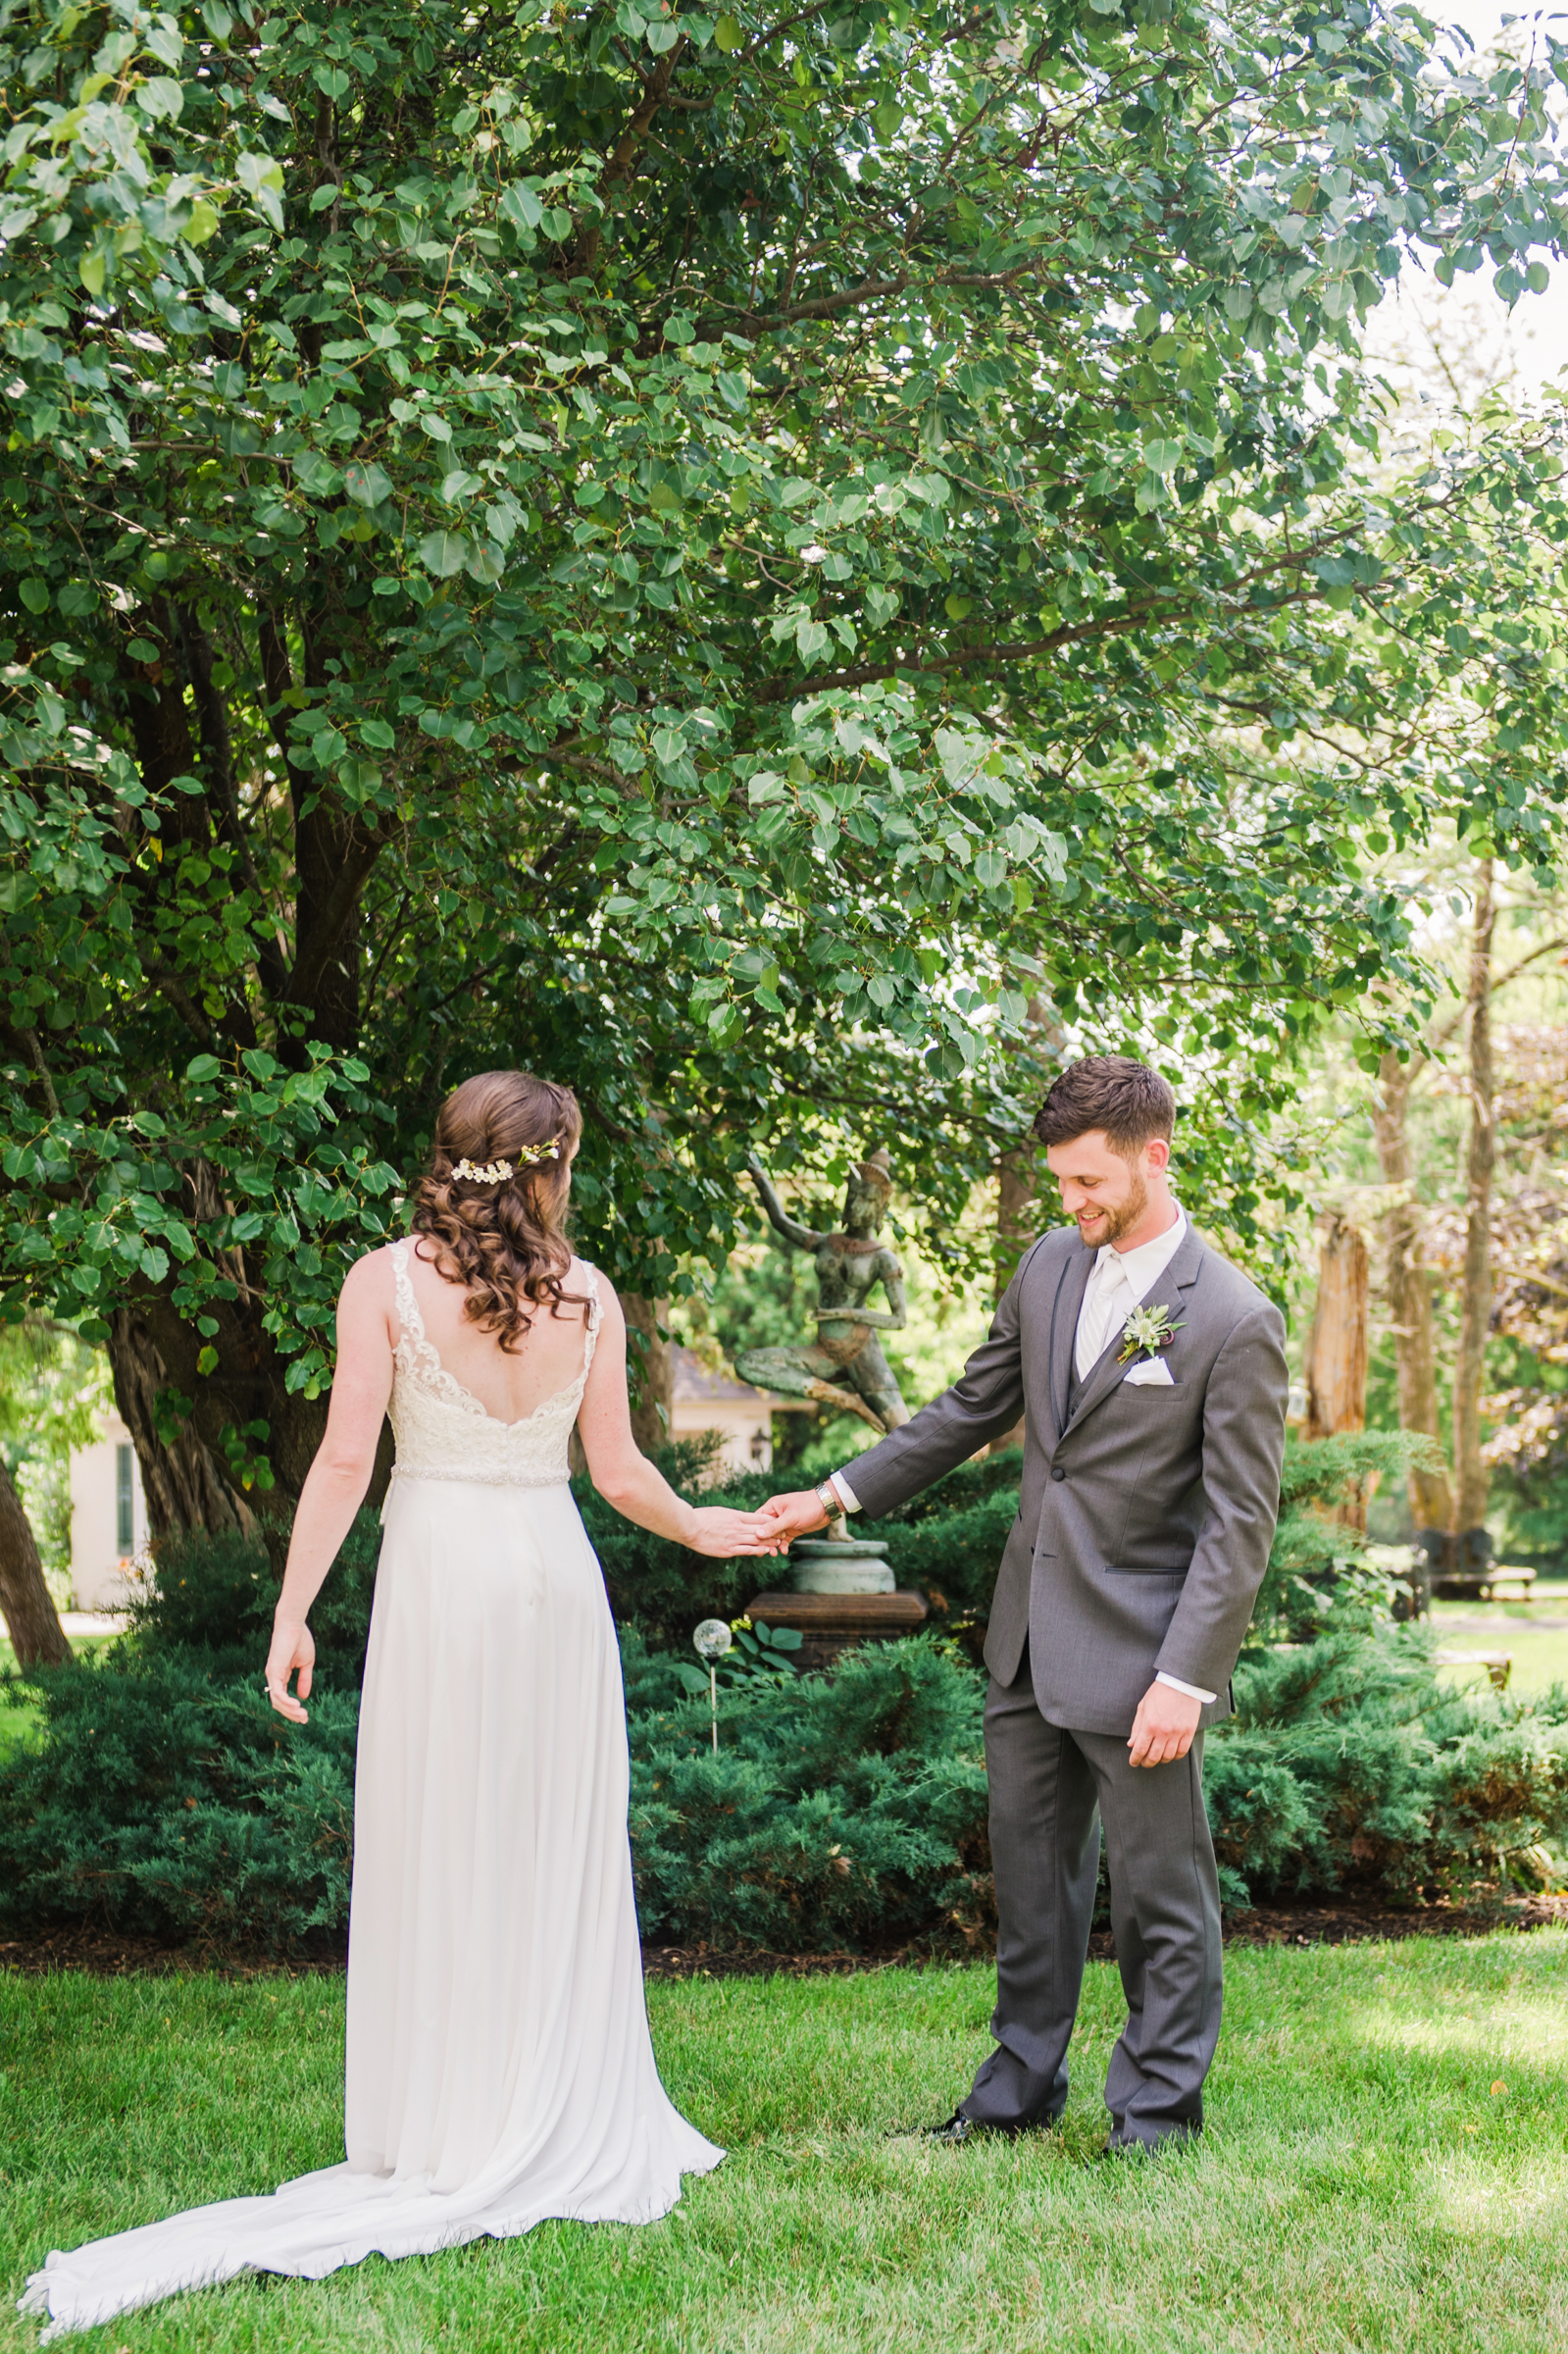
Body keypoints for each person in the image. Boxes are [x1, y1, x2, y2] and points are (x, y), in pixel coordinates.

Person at [23, 1071, 780, 2338]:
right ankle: (543, 2102)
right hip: (551, 1579)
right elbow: (621, 1472)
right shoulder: (585, 1295)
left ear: (452, 1158)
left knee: (444, 1842)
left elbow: (341, 1458)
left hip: (442, 1578)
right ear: (546, 1166)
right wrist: (704, 1526)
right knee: (543, 1847)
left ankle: (446, 2121)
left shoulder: (383, 1280)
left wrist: (292, 1610)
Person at [758, 1056, 1288, 2153]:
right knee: (1033, 1889)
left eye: (1090, 1182)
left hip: (1144, 1661)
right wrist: (834, 1494)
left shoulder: (1232, 1317)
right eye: (1060, 1182)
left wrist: (1186, 1677)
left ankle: (1154, 2114)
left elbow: (1240, 1522)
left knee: (1161, 1900)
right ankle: (1016, 2089)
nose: (1072, 1204)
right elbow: (966, 1408)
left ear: (1155, 1157)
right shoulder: (1051, 1263)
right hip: (1025, 1645)